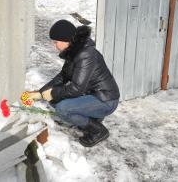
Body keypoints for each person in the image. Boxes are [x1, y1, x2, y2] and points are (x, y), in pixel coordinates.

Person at [25, 19, 120, 147]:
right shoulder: (74, 51)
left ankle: (98, 130)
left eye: (56, 42)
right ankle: (90, 118)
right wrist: (40, 93)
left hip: (106, 100)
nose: (55, 45)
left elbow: (76, 88)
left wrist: (53, 93)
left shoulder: (86, 55)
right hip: (91, 94)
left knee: (62, 108)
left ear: (65, 40)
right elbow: (62, 76)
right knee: (54, 99)